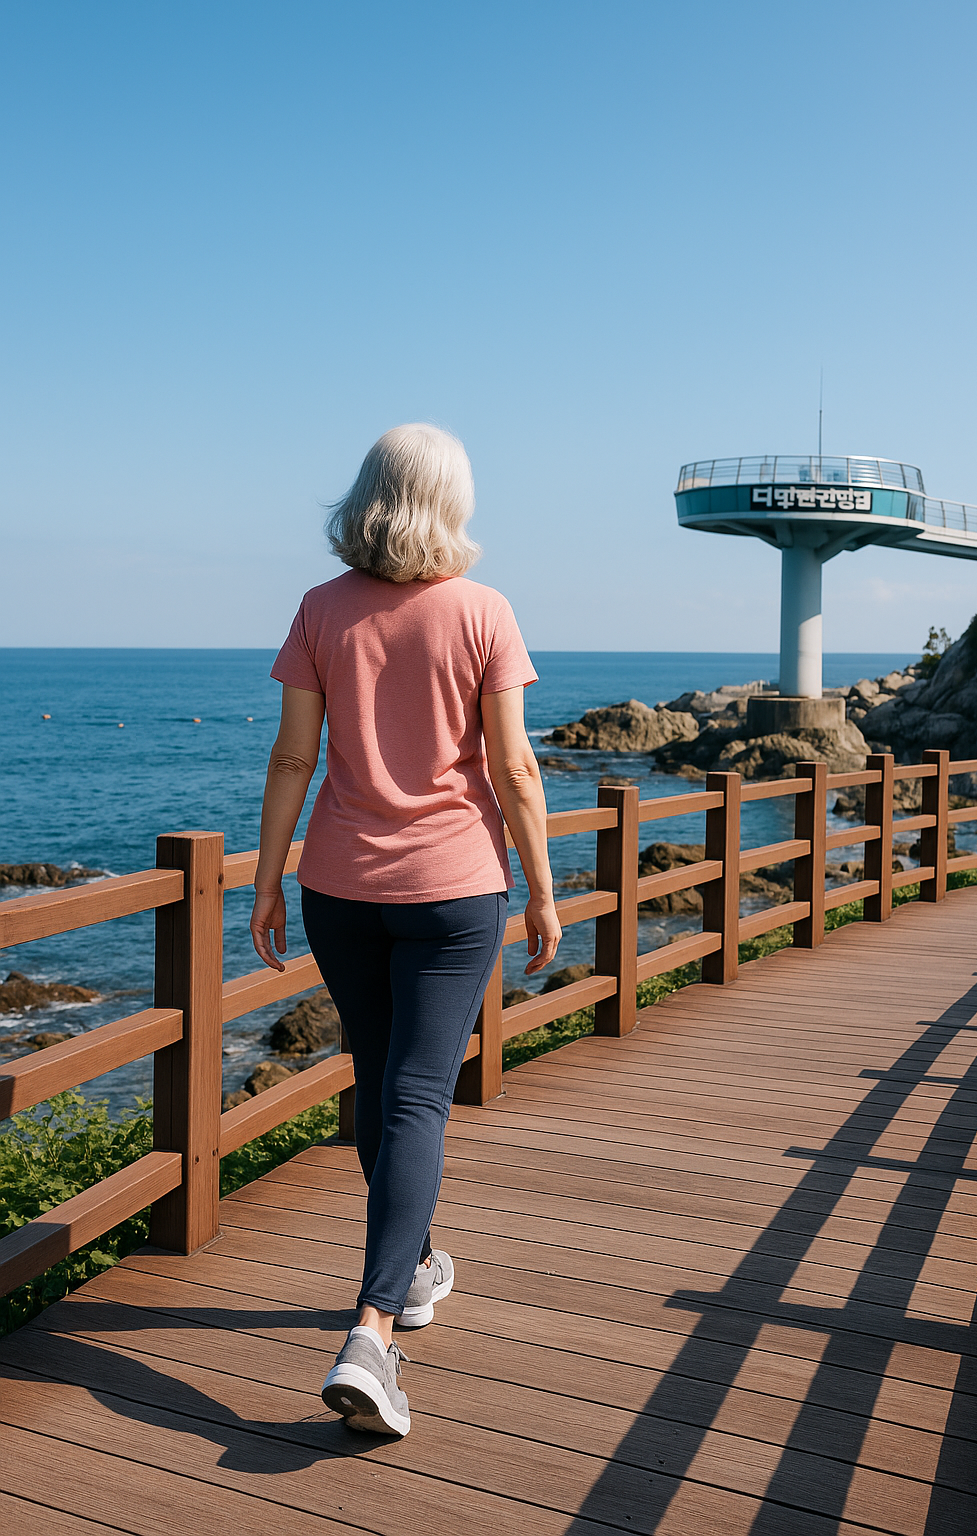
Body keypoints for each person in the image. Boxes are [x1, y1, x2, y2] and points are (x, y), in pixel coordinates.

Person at [249, 423, 561, 1437]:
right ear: (455, 500)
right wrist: (546, 891)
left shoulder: (319, 610)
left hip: (341, 888)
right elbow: (514, 769)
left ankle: (415, 1267)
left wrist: (264, 883)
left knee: (380, 1084)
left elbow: (293, 760)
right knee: (415, 1097)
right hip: (456, 890)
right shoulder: (484, 612)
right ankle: (373, 1331)